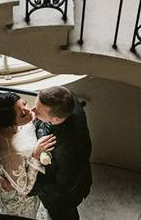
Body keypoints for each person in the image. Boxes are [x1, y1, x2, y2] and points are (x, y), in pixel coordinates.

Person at [0, 92, 57, 218]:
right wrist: (35, 154)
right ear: (9, 124)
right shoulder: (10, 152)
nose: (30, 111)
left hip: (8, 174)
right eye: (23, 114)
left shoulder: (2, 123)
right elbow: (25, 188)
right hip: (16, 193)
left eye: (25, 103)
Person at [29, 86, 92, 220]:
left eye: (39, 112)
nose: (32, 111)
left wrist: (28, 187)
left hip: (62, 198)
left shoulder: (69, 148)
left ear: (56, 119)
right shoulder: (68, 99)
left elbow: (62, 187)